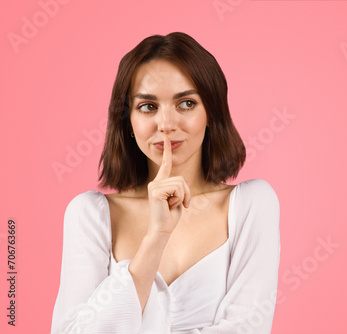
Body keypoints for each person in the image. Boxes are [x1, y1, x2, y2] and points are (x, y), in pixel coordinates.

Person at [50, 32, 280, 334]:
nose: (167, 124)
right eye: (148, 106)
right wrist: (155, 238)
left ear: (211, 113)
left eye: (186, 104)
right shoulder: (89, 214)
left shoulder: (251, 204)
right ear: (127, 122)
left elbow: (246, 328)